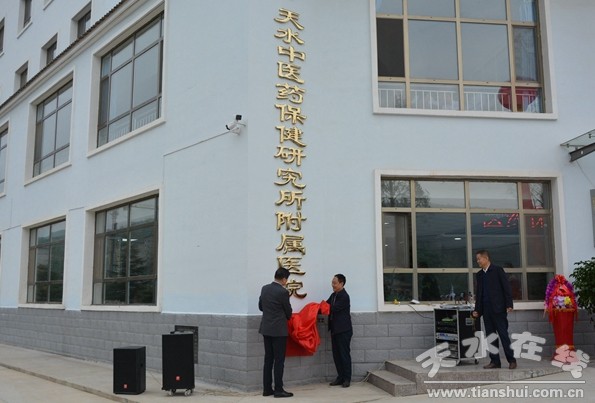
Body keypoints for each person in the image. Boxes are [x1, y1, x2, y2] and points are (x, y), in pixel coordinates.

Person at [472, 250, 517, 370]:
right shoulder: (479, 274)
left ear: (486, 258)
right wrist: (477, 310)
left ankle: (511, 360)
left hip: (498, 309)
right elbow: (479, 293)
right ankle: (495, 361)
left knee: (503, 335)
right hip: (486, 310)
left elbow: (506, 288)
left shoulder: (497, 270)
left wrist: (509, 304)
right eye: (477, 259)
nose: (478, 261)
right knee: (491, 336)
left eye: (479, 259)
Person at [258, 267, 293, 398]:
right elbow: (288, 312)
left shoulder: (264, 288)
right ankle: (278, 389)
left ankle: (267, 389)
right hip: (278, 330)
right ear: (284, 279)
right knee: (279, 360)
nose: (286, 282)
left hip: (266, 329)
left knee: (268, 359)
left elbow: (261, 307)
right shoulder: (283, 292)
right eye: (286, 280)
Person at [326, 274, 353, 387]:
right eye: (332, 283)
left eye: (335, 283)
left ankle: (347, 378)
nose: (332, 285)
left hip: (343, 330)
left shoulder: (344, 296)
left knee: (344, 355)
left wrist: (323, 307)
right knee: (336, 355)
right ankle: (340, 377)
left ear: (341, 284)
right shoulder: (333, 295)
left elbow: (333, 308)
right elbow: (326, 304)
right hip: (335, 330)